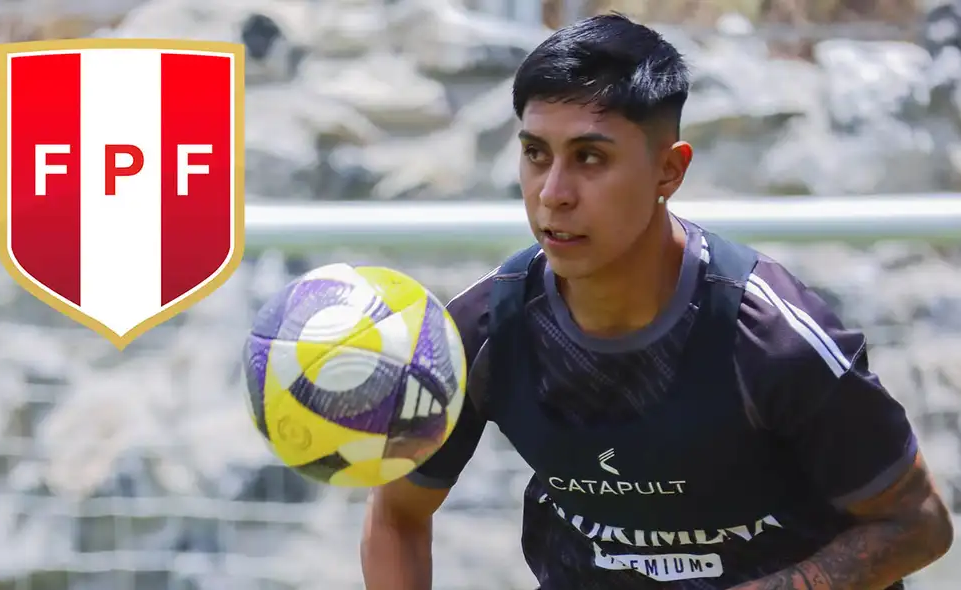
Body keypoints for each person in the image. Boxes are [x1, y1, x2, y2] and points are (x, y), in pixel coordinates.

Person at [360, 13, 955, 590]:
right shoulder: (483, 331)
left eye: (590, 158)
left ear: (669, 170)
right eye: (536, 154)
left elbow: (918, 524)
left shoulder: (771, 338)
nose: (553, 193)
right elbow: (396, 516)